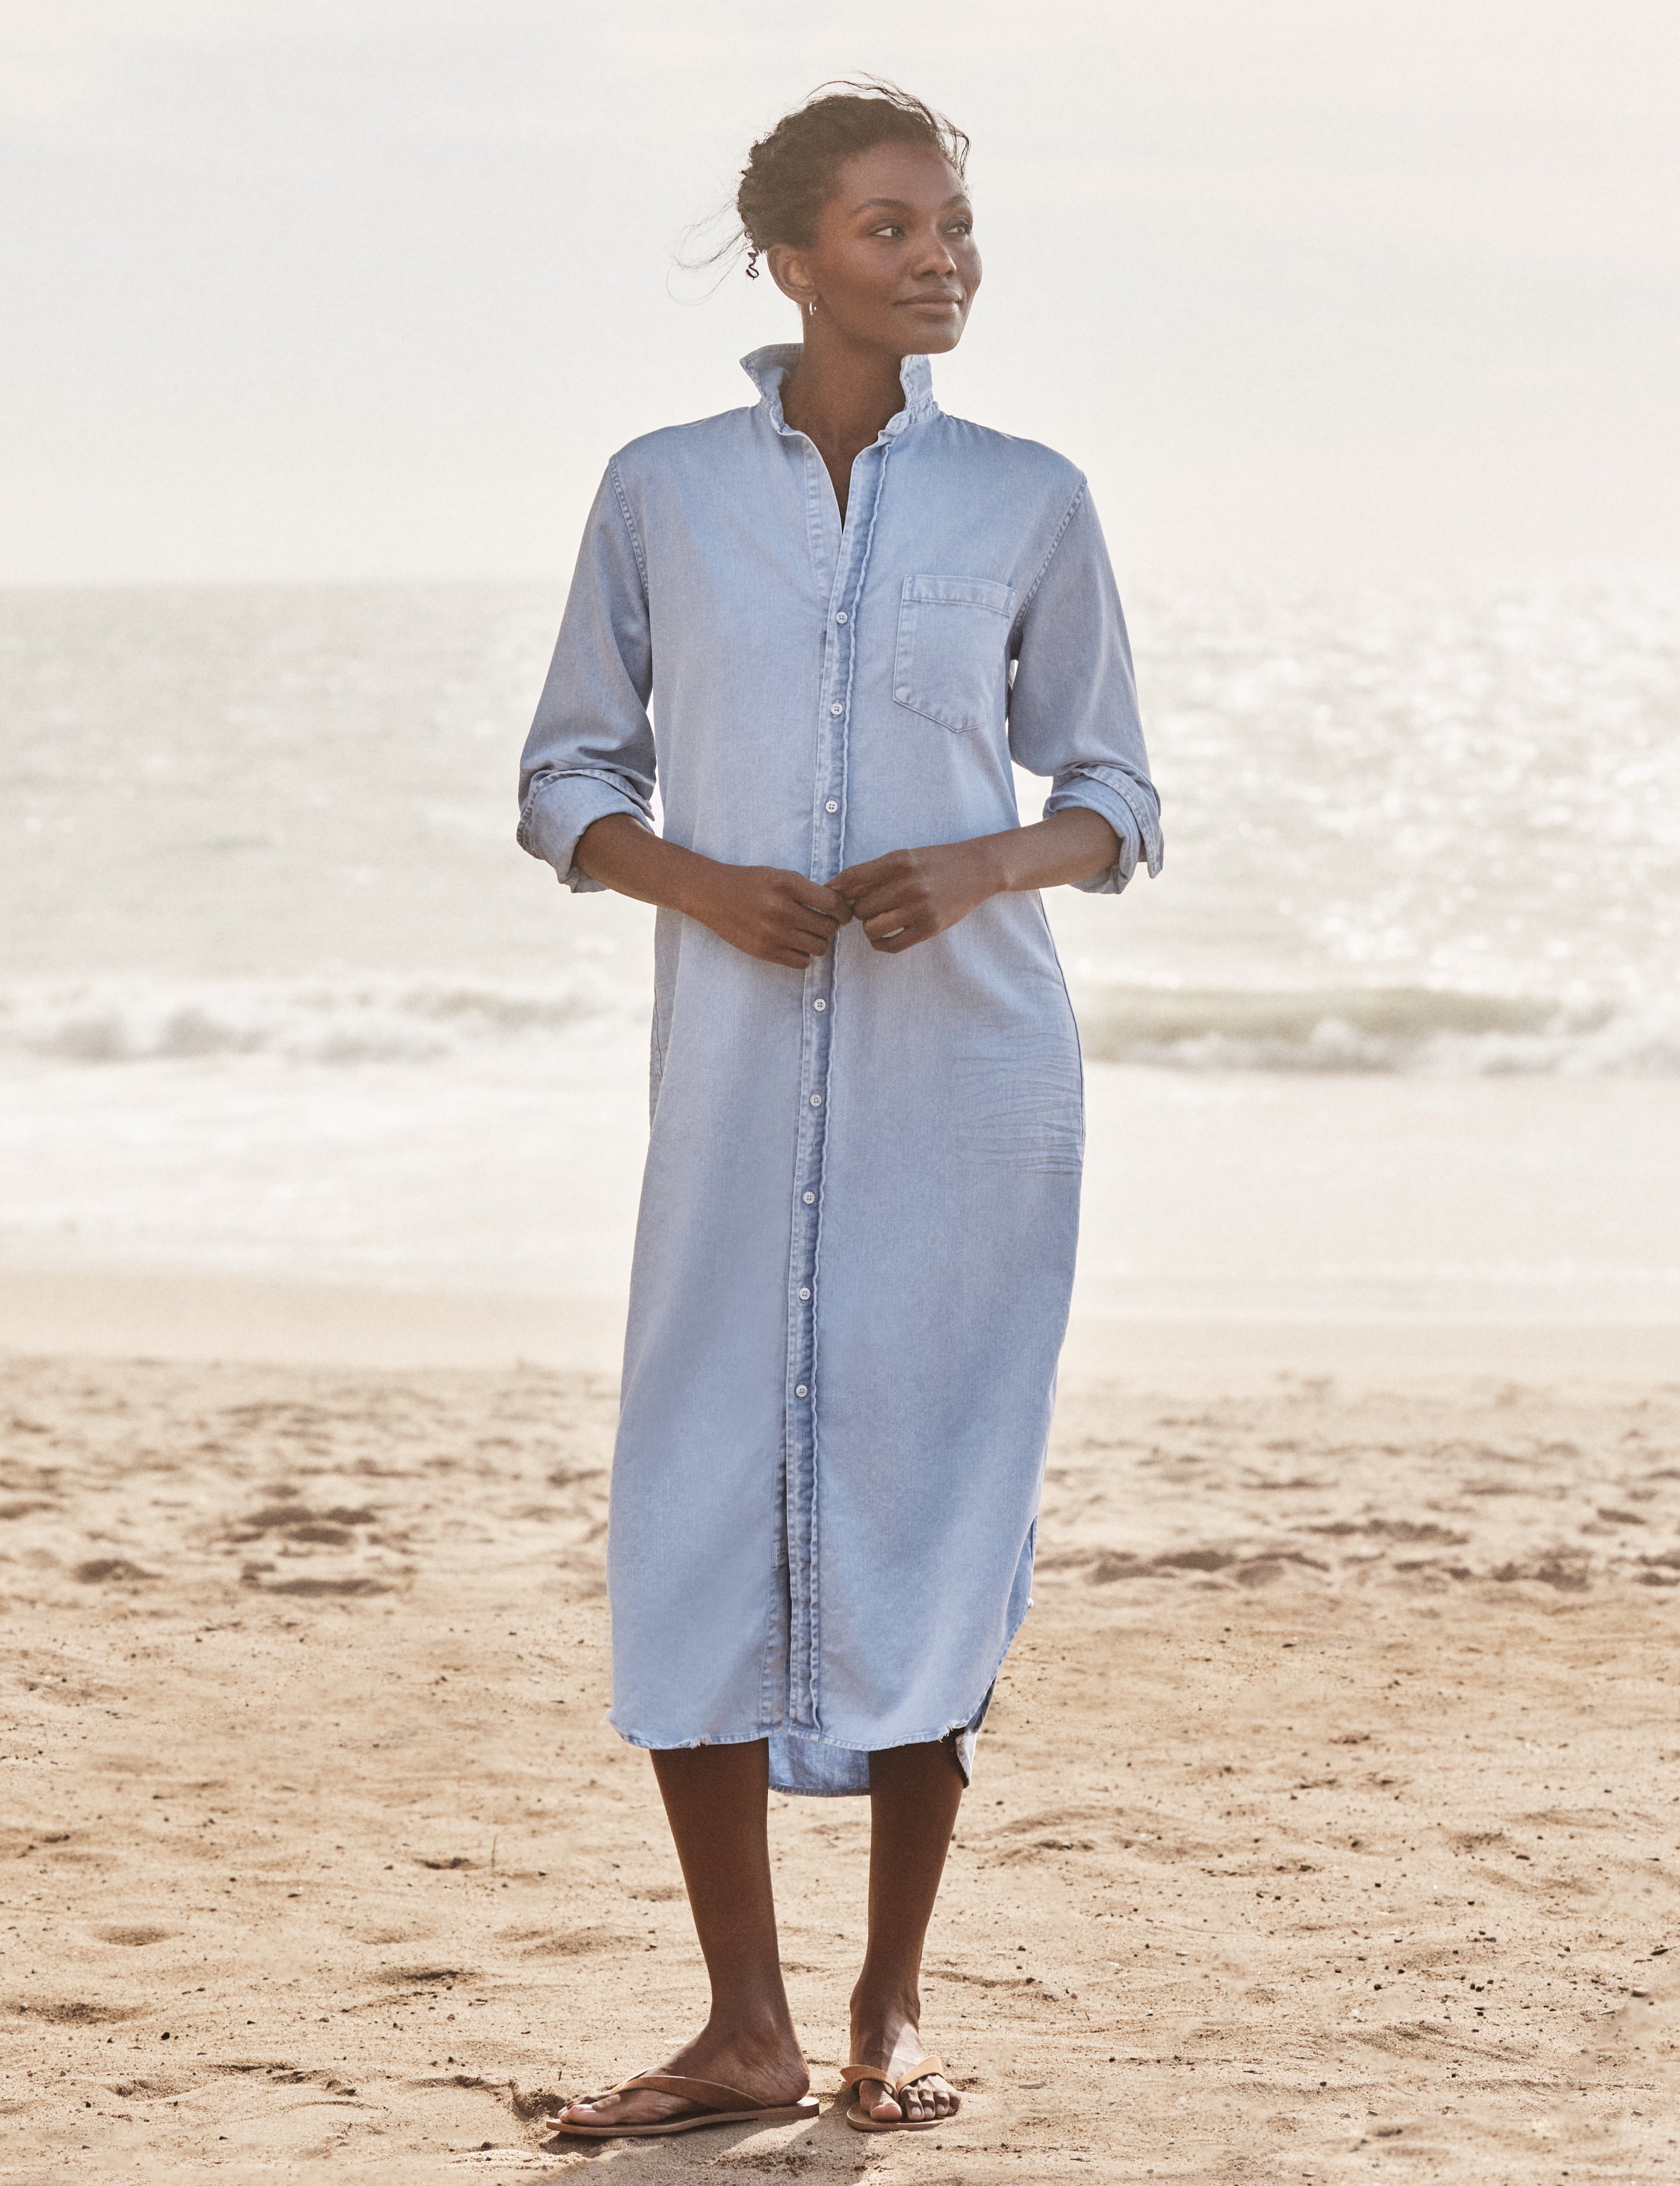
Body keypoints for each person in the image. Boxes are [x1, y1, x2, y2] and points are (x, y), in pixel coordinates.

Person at [517, 80, 1161, 2141]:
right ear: (789, 257)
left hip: (968, 1084)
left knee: (931, 1509)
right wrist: (694, 879)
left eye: (954, 226)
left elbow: (1114, 800)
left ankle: (883, 2012)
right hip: (728, 1082)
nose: (939, 259)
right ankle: (742, 2028)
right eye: (891, 229)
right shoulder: (662, 490)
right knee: (699, 1497)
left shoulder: (1029, 500)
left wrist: (974, 863)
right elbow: (564, 777)